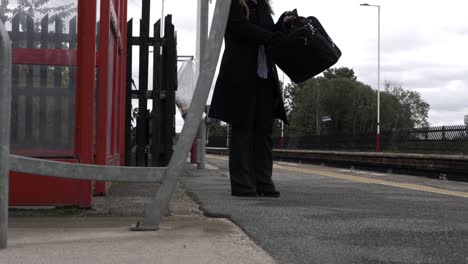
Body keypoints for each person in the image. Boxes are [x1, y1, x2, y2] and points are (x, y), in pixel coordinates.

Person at [208, 0, 288, 197]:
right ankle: (243, 184)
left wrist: (283, 24)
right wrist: (271, 36)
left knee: (263, 129)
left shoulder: (261, 5)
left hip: (264, 76)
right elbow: (238, 28)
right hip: (241, 75)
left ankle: (263, 182)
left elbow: (268, 31)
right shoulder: (234, 3)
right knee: (243, 129)